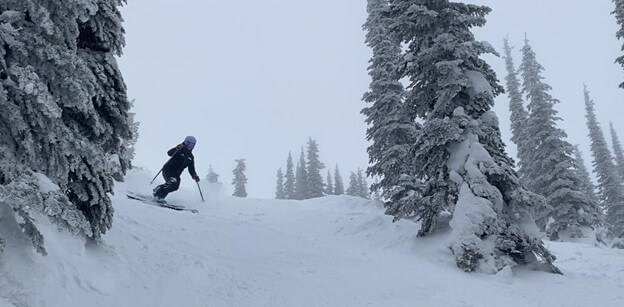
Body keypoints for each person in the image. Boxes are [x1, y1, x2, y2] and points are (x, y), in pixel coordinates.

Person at [153, 136, 200, 200]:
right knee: (173, 182)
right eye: (189, 144)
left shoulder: (190, 157)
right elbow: (169, 153)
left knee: (175, 186)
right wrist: (176, 148)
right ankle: (158, 189)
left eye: (193, 145)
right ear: (186, 142)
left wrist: (194, 175)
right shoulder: (180, 149)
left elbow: (191, 169)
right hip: (168, 169)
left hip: (176, 174)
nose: (190, 146)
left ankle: (159, 197)